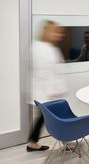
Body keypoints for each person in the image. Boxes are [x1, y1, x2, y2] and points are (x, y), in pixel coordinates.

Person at [27, 20, 68, 152]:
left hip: (45, 91)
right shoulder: (43, 49)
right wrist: (57, 92)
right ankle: (69, 141)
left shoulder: (43, 47)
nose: (59, 35)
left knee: (42, 118)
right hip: (45, 92)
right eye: (56, 32)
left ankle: (32, 143)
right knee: (59, 116)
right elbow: (45, 74)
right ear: (48, 32)